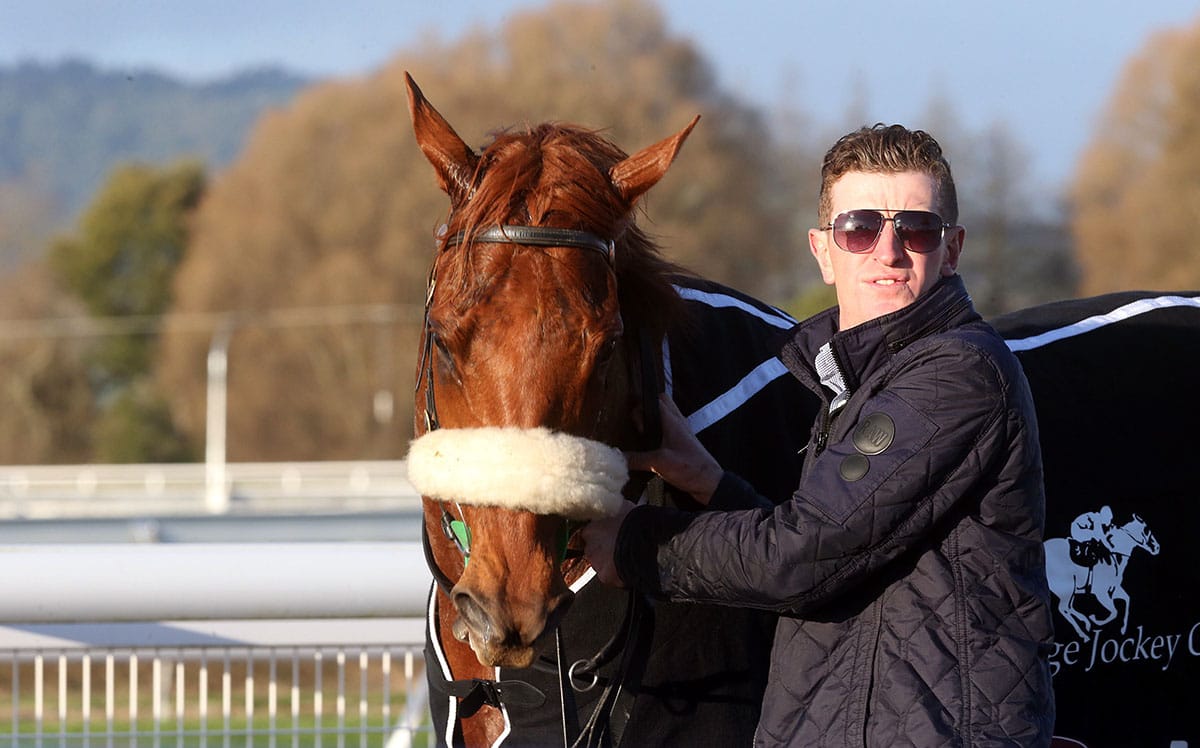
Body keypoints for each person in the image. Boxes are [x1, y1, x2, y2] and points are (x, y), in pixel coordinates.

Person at [582, 124, 1056, 746]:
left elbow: (806, 555)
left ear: (953, 248)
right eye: (860, 228)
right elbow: (842, 556)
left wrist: (633, 544)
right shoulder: (860, 377)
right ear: (823, 251)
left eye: (916, 229)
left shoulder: (955, 373)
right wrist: (704, 478)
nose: (888, 252)